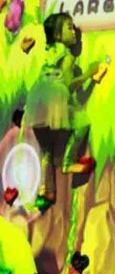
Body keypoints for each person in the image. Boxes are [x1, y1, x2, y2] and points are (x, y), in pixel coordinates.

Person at [24, 13, 99, 210]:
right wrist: (88, 74)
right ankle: (68, 162)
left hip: (38, 99)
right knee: (82, 123)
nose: (74, 33)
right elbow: (68, 85)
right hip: (55, 97)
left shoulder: (49, 52)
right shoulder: (67, 56)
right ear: (57, 34)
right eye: (69, 28)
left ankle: (46, 190)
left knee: (46, 149)